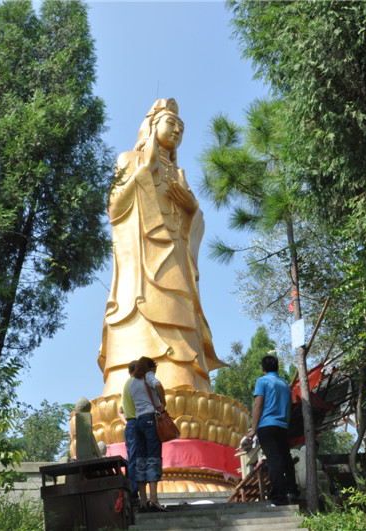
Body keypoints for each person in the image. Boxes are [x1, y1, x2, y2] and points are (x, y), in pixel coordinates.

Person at [98, 98, 225, 397]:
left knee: (180, 309)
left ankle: (185, 377)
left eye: (182, 127)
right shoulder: (128, 160)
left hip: (174, 260)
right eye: (172, 123)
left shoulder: (179, 176)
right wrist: (144, 172)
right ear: (153, 125)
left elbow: (193, 225)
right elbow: (115, 211)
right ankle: (124, 381)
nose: (178, 130)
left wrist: (192, 208)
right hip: (140, 264)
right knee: (135, 311)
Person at [246, 355, 299, 506]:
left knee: (274, 461)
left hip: (266, 427)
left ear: (263, 368)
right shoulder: (284, 385)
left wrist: (253, 429)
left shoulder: (262, 381)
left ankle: (279, 499)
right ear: (277, 367)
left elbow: (258, 405)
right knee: (286, 459)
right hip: (282, 427)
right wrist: (285, 424)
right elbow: (289, 408)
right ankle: (292, 490)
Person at [128, 356, 169, 512]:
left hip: (137, 422)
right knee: (153, 458)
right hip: (150, 420)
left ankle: (143, 501)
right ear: (150, 368)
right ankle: (154, 499)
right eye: (154, 368)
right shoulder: (149, 376)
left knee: (141, 460)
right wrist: (162, 402)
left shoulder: (132, 384)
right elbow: (157, 384)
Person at [117, 360, 140, 506]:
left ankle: (132, 493)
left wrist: (127, 422)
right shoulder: (136, 384)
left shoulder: (126, 384)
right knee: (135, 461)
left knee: (131, 459)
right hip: (137, 424)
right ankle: (133, 495)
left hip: (130, 425)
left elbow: (119, 411)